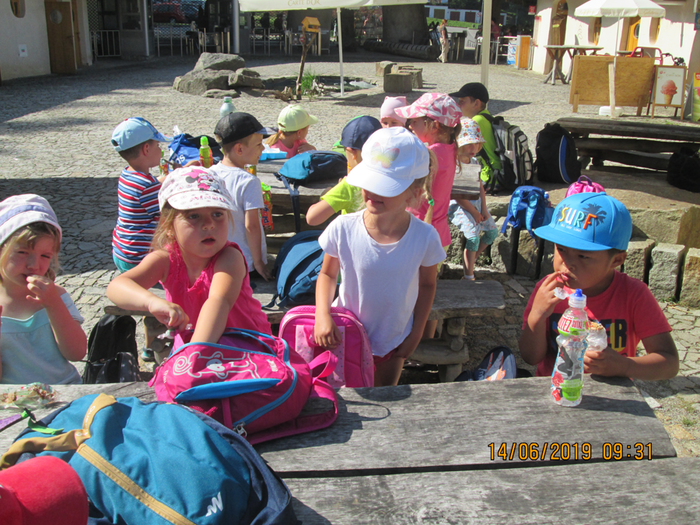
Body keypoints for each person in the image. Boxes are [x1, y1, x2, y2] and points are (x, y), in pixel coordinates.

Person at [314, 127, 445, 387]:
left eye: (385, 186)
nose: (372, 192)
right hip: (345, 335)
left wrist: (416, 333)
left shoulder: (425, 237)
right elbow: (327, 274)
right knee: (348, 397)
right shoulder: (343, 228)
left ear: (414, 191)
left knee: (386, 396)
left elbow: (428, 285)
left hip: (393, 341)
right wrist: (322, 314)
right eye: (369, 182)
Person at [519, 192, 679, 380]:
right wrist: (537, 316)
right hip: (556, 390)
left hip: (612, 394)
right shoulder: (548, 290)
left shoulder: (634, 295)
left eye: (583, 256)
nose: (567, 263)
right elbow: (530, 358)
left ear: (616, 260)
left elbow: (669, 363)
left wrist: (625, 366)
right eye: (561, 249)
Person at [107, 168, 272, 345]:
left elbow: (218, 303)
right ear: (169, 226)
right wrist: (151, 302)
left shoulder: (229, 257)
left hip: (247, 346)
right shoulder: (166, 259)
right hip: (194, 345)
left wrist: (195, 353)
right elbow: (117, 287)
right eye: (193, 216)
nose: (209, 224)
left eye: (217, 214)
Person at [0, 194, 87, 384]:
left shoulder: (56, 295)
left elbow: (77, 352)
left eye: (45, 256)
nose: (33, 265)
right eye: (22, 252)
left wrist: (54, 305)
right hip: (12, 398)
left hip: (64, 390)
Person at [210, 112, 275, 280]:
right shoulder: (249, 181)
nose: (263, 148)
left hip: (216, 261)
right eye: (259, 144)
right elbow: (251, 226)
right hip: (246, 263)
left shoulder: (209, 174)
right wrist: (259, 262)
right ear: (239, 149)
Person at [110, 117, 170, 274]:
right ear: (146, 149)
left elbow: (149, 188)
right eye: (157, 145)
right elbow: (169, 211)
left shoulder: (128, 174)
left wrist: (166, 178)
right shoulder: (147, 186)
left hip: (121, 250)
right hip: (139, 258)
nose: (160, 150)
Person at [306, 116, 382, 226]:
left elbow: (312, 218)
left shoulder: (351, 184)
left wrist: (335, 190)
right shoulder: (392, 178)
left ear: (352, 152)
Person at [448, 118, 498, 280]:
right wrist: (475, 213)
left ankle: (471, 259)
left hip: (476, 203)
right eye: (469, 144)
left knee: (492, 232)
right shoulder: (455, 164)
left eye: (477, 144)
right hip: (460, 206)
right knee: (473, 237)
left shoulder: (474, 161)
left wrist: (484, 209)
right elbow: (457, 195)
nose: (474, 148)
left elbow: (479, 186)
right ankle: (469, 275)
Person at [450, 83, 502, 189]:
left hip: (489, 176)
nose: (458, 105)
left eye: (462, 101)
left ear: (476, 103)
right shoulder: (486, 117)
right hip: (497, 172)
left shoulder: (475, 122)